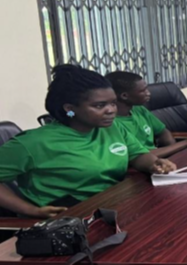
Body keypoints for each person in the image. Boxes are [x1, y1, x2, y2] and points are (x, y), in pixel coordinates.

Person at [0, 65, 176, 217]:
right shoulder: (32, 143)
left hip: (116, 205)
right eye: (100, 105)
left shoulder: (112, 127)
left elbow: (137, 155)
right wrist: (30, 210)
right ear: (70, 109)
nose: (111, 110)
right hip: (71, 218)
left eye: (113, 103)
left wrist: (154, 164)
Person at [106, 71, 187, 158]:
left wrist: (174, 154)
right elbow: (140, 156)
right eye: (143, 91)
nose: (148, 93)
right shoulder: (110, 123)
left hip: (157, 160)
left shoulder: (138, 109)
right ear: (124, 96)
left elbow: (163, 131)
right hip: (138, 168)